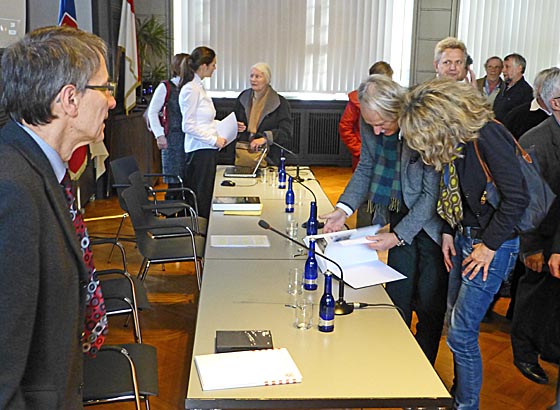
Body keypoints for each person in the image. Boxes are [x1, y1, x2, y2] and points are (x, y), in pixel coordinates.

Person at [0, 26, 116, 408]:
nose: (112, 101)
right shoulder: (12, 189)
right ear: (69, 99)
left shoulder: (41, 169)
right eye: (105, 87)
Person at [400, 78, 529, 410]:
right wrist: (447, 230)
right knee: (456, 325)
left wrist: (487, 247)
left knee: (461, 333)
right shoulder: (458, 139)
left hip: (493, 246)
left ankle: (466, 405)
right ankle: (459, 394)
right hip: (464, 237)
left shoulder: (488, 134)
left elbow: (517, 199)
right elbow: (456, 195)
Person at [321, 75, 446, 365]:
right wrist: (343, 209)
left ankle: (422, 368)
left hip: (431, 224)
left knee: (429, 302)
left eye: (382, 124)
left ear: (397, 109)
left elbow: (431, 195)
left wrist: (399, 235)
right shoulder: (370, 122)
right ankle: (394, 359)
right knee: (397, 294)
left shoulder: (423, 124)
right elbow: (366, 166)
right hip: (397, 212)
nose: (376, 131)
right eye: (371, 124)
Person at [510, 67, 560, 385]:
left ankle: (550, 347)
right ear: (556, 102)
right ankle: (524, 352)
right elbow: (524, 200)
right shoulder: (535, 141)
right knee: (533, 298)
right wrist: (530, 246)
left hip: (557, 238)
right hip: (539, 238)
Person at [338, 61, 394, 228]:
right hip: (366, 157)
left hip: (385, 164)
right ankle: (364, 232)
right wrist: (359, 151)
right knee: (365, 201)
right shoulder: (358, 102)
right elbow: (345, 127)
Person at [179, 46, 227, 219]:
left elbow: (204, 121)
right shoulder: (190, 89)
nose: (215, 68)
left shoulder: (198, 87)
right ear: (204, 66)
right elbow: (188, 125)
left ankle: (204, 233)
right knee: (202, 196)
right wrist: (213, 140)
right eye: (213, 64)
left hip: (206, 148)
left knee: (206, 194)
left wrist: (227, 125)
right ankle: (200, 235)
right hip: (200, 150)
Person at [233, 62, 293, 166]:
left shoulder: (280, 102)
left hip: (269, 156)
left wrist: (265, 138)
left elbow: (286, 132)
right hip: (243, 153)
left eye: (258, 76)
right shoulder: (243, 98)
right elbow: (233, 120)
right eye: (251, 76)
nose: (253, 79)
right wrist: (235, 126)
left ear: (267, 79)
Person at [147, 53, 189, 199]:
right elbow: (152, 112)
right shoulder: (166, 87)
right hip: (172, 138)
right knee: (174, 182)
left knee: (186, 182)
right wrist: (159, 135)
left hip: (187, 137)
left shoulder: (189, 87)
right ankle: (171, 216)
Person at [339, 61, 394, 171]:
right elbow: (345, 127)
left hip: (386, 155)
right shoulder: (357, 100)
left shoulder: (392, 99)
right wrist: (359, 150)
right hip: (363, 155)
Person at [493, 53, 533, 122]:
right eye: (503, 67)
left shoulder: (526, 92)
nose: (503, 70)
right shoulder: (502, 87)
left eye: (507, 67)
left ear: (519, 68)